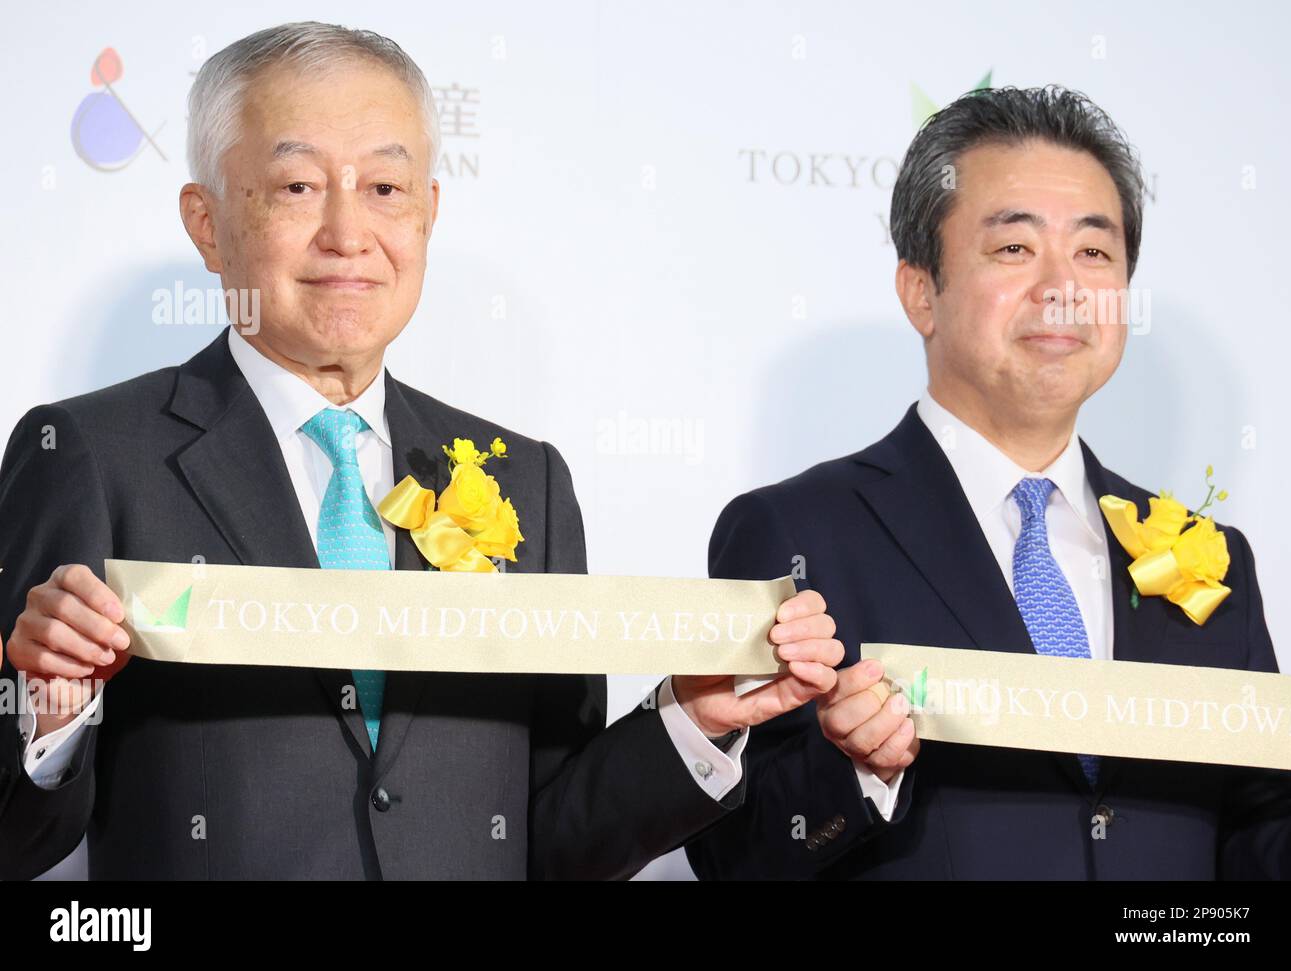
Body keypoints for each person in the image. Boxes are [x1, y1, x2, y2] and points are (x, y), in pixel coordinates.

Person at [0, 22, 845, 880]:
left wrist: (691, 722)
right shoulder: (90, 453)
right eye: (296, 185)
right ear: (207, 223)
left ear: (429, 213)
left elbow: (549, 841)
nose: (347, 231)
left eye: (385, 187)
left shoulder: (526, 480)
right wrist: (52, 709)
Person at [688, 85, 1291, 880]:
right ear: (921, 292)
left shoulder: (1211, 556)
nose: (1062, 286)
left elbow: (1260, 832)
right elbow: (733, 856)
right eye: (1015, 248)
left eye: (1094, 251)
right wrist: (857, 771)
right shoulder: (798, 533)